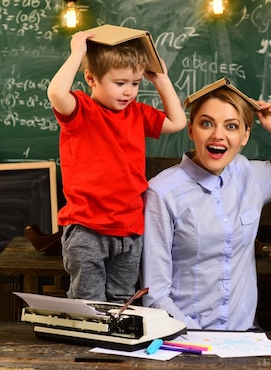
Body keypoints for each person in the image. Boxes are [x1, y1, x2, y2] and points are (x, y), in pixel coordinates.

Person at [140, 79, 271, 331]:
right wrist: (195, 338)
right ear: (191, 130)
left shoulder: (252, 175)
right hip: (186, 338)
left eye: (231, 126)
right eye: (206, 123)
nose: (218, 135)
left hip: (244, 336)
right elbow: (155, 295)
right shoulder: (162, 192)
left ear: (245, 135)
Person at [47, 28, 187, 303]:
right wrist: (78, 53)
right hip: (88, 228)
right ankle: (86, 347)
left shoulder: (137, 113)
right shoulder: (81, 110)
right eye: (120, 83)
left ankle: (111, 346)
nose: (129, 92)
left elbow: (178, 122)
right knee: (88, 302)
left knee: (122, 301)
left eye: (135, 83)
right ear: (91, 79)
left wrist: (160, 78)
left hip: (130, 230)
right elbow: (55, 92)